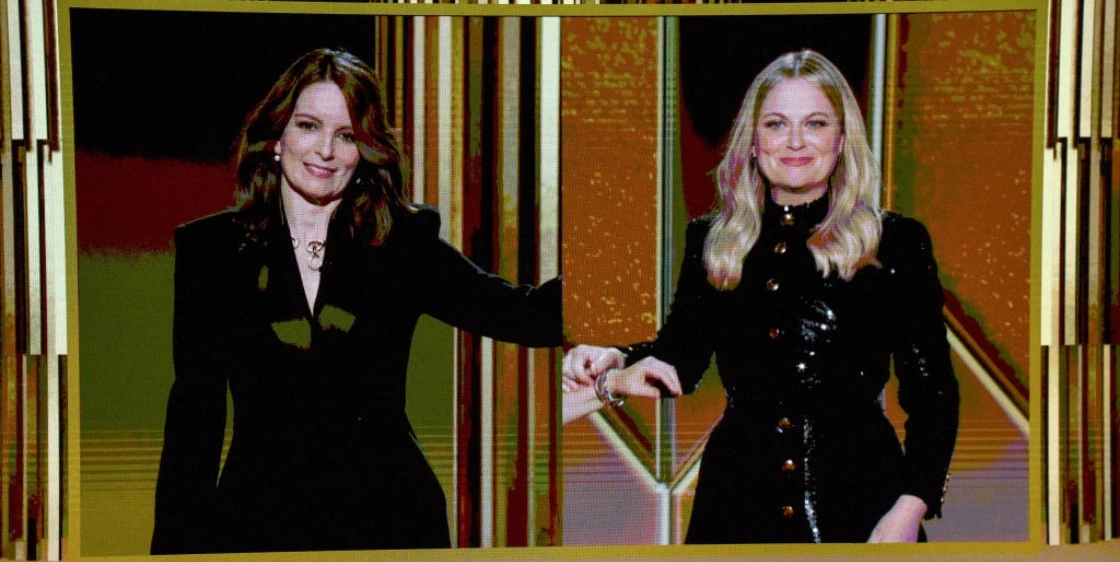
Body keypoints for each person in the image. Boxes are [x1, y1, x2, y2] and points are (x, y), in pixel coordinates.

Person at [151, 48, 561, 554]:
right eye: (308, 126)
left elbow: (526, 314)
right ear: (277, 137)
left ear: (364, 151)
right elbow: (194, 425)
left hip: (390, 524)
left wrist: (626, 275)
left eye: (346, 136)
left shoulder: (401, 242)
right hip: (260, 526)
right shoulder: (212, 252)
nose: (325, 150)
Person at [564, 49, 959, 544]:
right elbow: (680, 359)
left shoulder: (894, 241)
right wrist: (617, 359)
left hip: (861, 500)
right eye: (776, 125)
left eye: (815, 124)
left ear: (841, 140)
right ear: (753, 141)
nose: (794, 142)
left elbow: (933, 394)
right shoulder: (714, 240)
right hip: (737, 502)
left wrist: (911, 504)